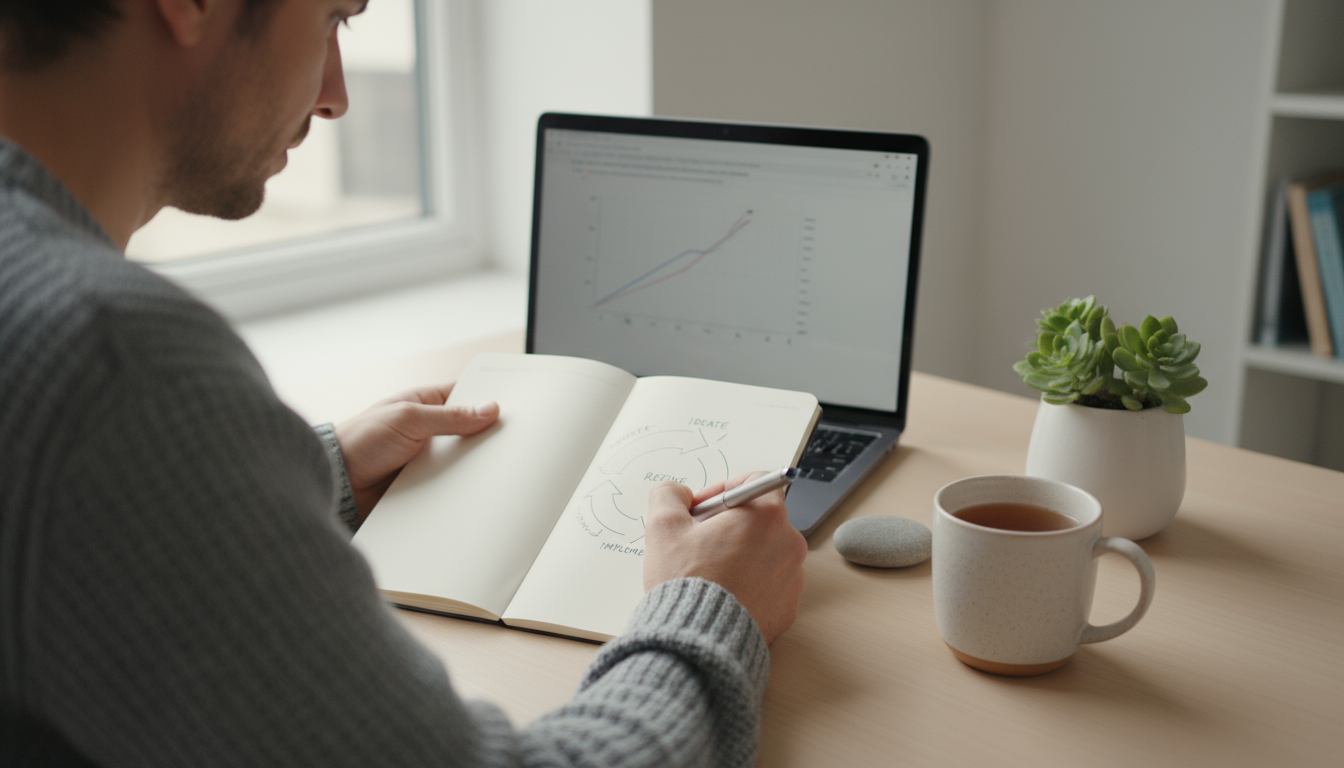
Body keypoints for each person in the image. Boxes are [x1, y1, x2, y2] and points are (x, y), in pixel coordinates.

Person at [0, 1, 808, 765]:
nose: (337, 96)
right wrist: (708, 605)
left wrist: (319, 474)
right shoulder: (114, 366)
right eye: (332, 18)